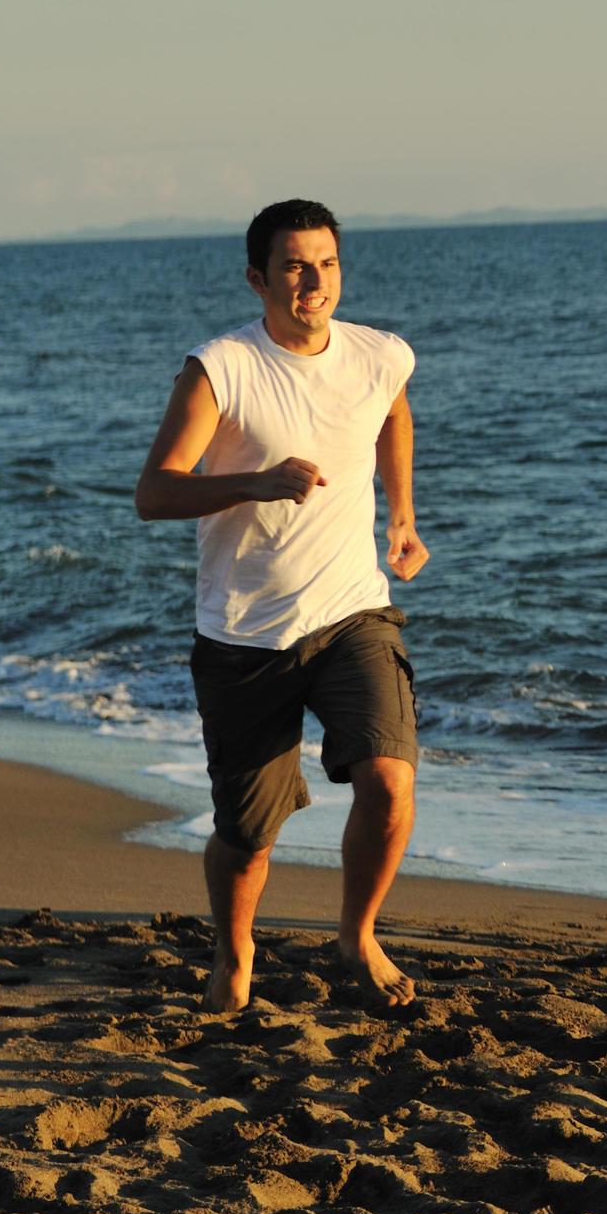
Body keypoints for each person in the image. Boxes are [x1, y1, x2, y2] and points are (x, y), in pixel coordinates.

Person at [133, 200, 429, 1014]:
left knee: (390, 782)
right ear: (258, 278)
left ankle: (357, 934)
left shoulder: (378, 354)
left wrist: (401, 515)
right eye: (295, 266)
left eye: (327, 264)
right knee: (248, 834)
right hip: (244, 634)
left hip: (351, 614)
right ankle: (234, 954)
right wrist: (253, 483)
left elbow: (391, 412)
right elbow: (154, 493)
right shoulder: (221, 368)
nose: (314, 281)